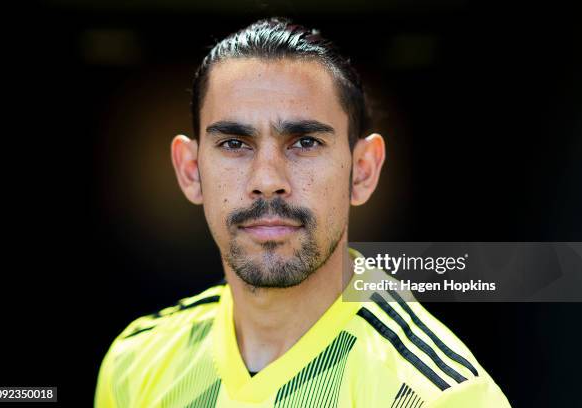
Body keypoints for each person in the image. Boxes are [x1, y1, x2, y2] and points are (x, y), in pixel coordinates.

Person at [94, 17, 510, 407]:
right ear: (190, 170)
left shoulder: (437, 396)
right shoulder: (135, 364)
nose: (268, 178)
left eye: (305, 142)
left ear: (362, 172)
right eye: (235, 143)